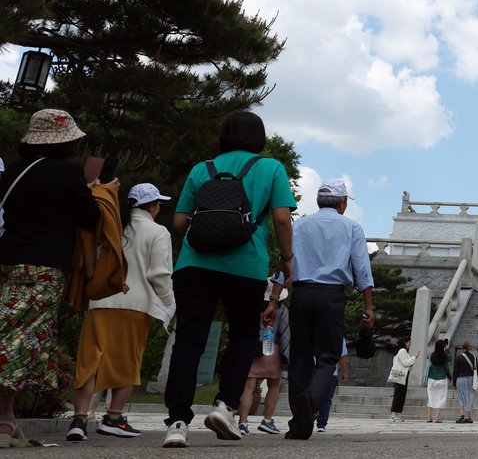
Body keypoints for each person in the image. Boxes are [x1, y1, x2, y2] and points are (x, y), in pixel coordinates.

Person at [163, 110, 297, 448]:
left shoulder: (201, 168)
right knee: (241, 338)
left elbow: (179, 223)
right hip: (245, 266)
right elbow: (282, 218)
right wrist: (287, 259)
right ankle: (225, 406)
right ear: (260, 137)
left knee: (189, 340)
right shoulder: (270, 168)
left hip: (195, 263)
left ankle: (177, 421)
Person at [0, 110, 100, 445]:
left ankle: (8, 418)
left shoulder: (12, 173)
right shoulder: (67, 175)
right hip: (44, 268)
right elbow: (89, 216)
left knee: (12, 332)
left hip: (8, 264)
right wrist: (96, 191)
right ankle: (2, 420)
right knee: (19, 342)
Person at [68, 183, 176, 441]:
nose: (159, 208)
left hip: (99, 303)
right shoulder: (158, 232)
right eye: (158, 203)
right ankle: (114, 417)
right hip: (135, 306)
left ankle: (79, 420)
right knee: (127, 362)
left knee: (90, 362)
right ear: (151, 206)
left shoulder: (112, 227)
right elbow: (159, 274)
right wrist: (170, 303)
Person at [284, 179, 374, 440]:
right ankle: (310, 401)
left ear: (318, 201)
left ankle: (297, 421)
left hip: (301, 293)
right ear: (342, 203)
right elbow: (362, 271)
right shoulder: (351, 227)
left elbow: (286, 262)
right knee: (328, 356)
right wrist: (368, 306)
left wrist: (274, 297)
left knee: (300, 355)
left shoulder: (298, 225)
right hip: (331, 297)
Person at [237, 278, 290, 435]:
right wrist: (287, 355)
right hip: (272, 349)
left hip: (253, 348)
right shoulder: (281, 310)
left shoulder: (253, 306)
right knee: (274, 386)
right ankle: (267, 420)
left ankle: (243, 422)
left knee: (249, 387)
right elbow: (285, 333)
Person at [316, 339, 348, 433]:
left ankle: (319, 421)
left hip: (316, 370)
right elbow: (341, 356)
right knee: (326, 399)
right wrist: (344, 372)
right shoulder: (338, 334)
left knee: (321, 397)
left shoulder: (314, 330)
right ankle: (321, 423)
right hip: (330, 371)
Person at [386, 339, 416, 423]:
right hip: (401, 377)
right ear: (405, 342)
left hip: (399, 376)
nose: (410, 344)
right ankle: (393, 415)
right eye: (409, 342)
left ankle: (395, 415)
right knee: (399, 395)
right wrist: (414, 358)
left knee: (399, 395)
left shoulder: (399, 351)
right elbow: (405, 363)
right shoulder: (402, 350)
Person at [424, 339, 451, 423]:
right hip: (442, 378)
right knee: (440, 398)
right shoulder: (444, 356)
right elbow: (449, 361)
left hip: (431, 378)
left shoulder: (432, 355)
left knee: (431, 397)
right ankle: (437, 418)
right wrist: (447, 350)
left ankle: (429, 417)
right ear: (443, 346)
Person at [451, 341, 478, 423]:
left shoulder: (459, 357)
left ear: (463, 348)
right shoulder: (474, 357)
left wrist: (454, 382)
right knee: (470, 396)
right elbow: (476, 371)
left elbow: (455, 371)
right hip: (470, 379)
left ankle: (462, 416)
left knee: (461, 397)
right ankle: (469, 417)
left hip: (461, 379)